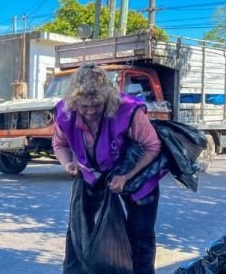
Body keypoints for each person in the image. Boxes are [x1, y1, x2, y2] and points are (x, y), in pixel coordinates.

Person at [52, 63, 163, 274]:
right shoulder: (65, 113)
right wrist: (67, 163)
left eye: (97, 106)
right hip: (95, 176)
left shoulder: (127, 110)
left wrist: (126, 176)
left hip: (138, 179)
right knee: (79, 233)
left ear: (107, 99)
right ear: (74, 102)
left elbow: (152, 146)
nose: (91, 111)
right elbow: (60, 144)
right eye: (84, 107)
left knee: (140, 236)